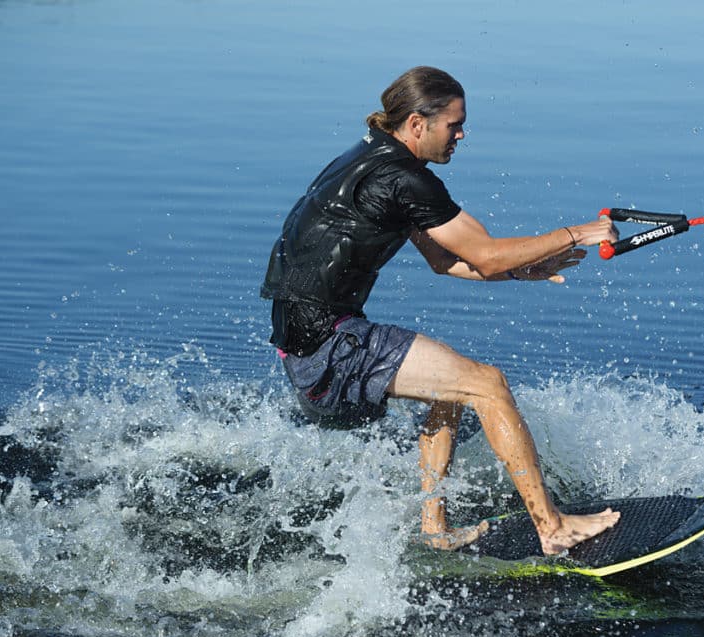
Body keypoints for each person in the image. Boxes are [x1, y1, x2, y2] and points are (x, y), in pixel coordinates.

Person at [261, 66, 620, 555]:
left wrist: (519, 272)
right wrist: (577, 233)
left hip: (308, 344)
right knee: (486, 383)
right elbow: (487, 253)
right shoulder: (403, 181)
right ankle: (553, 528)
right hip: (330, 344)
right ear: (416, 124)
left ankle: (434, 527)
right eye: (454, 124)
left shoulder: (367, 159)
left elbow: (444, 260)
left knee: (450, 388)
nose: (462, 134)